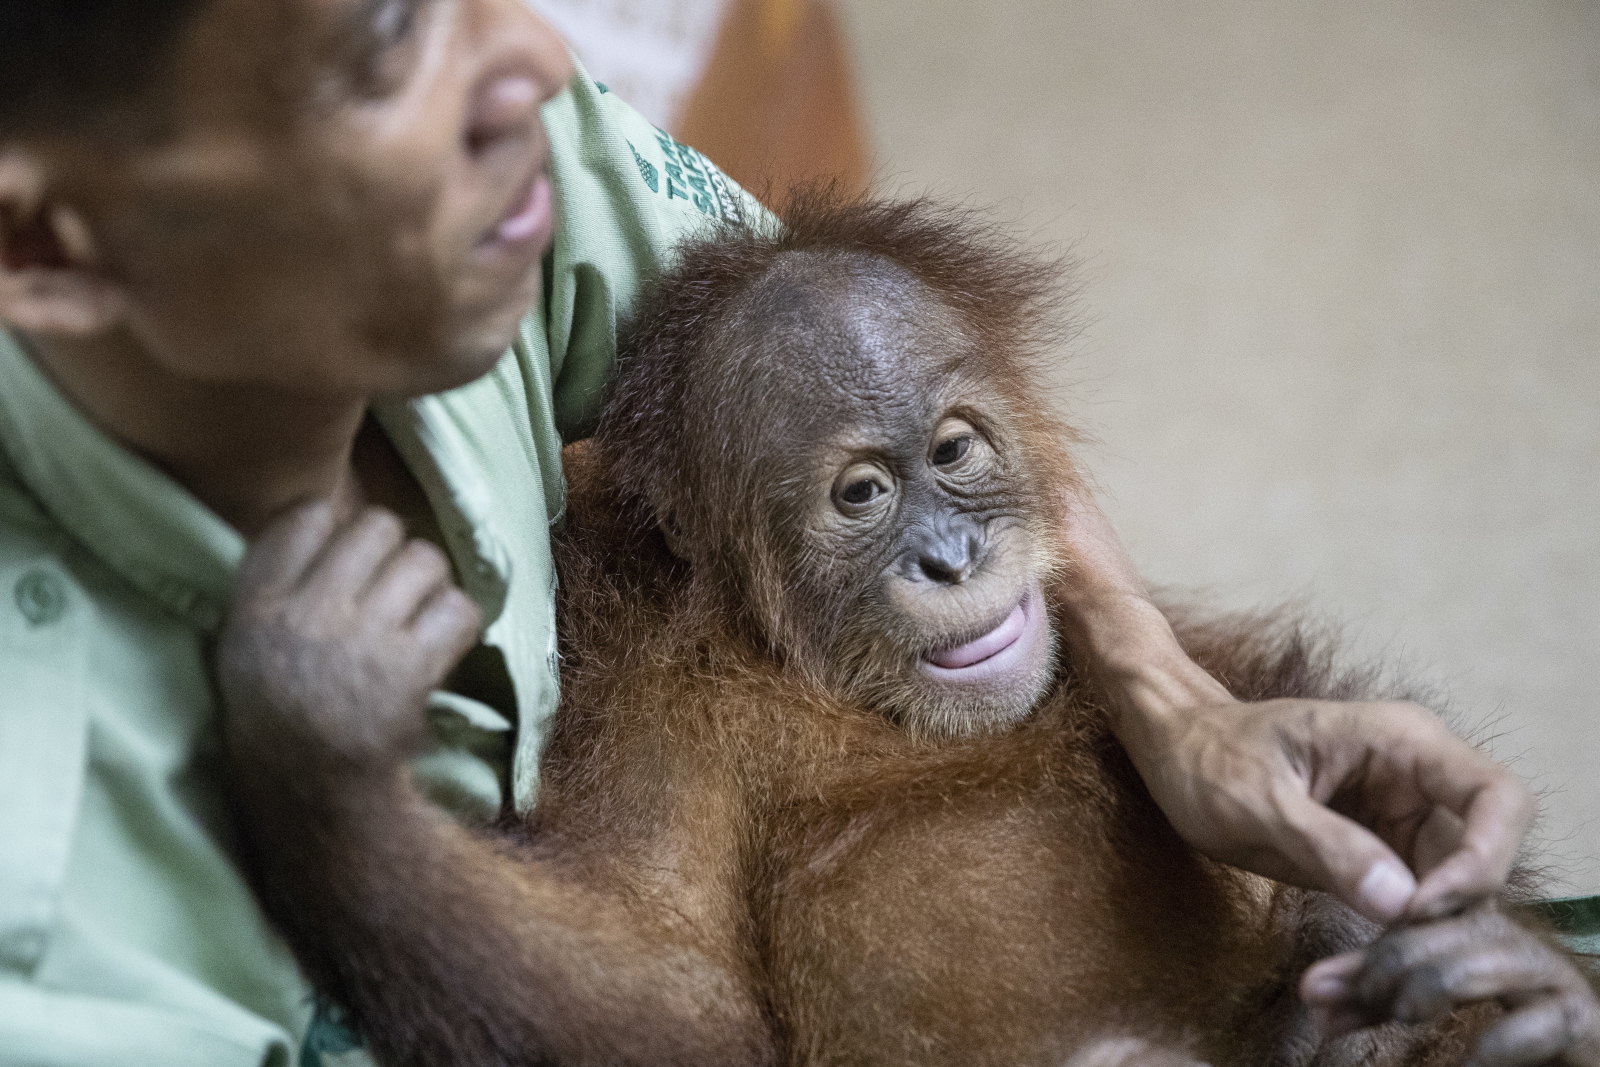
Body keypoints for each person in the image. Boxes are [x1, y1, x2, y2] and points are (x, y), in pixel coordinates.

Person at [0, 1, 1542, 1063]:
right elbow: (657, 1002)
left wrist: (1176, 700)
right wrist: (334, 811)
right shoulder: (55, 938)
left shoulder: (510, 175)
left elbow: (882, 362)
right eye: (384, 35)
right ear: (47, 242)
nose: (543, 55)